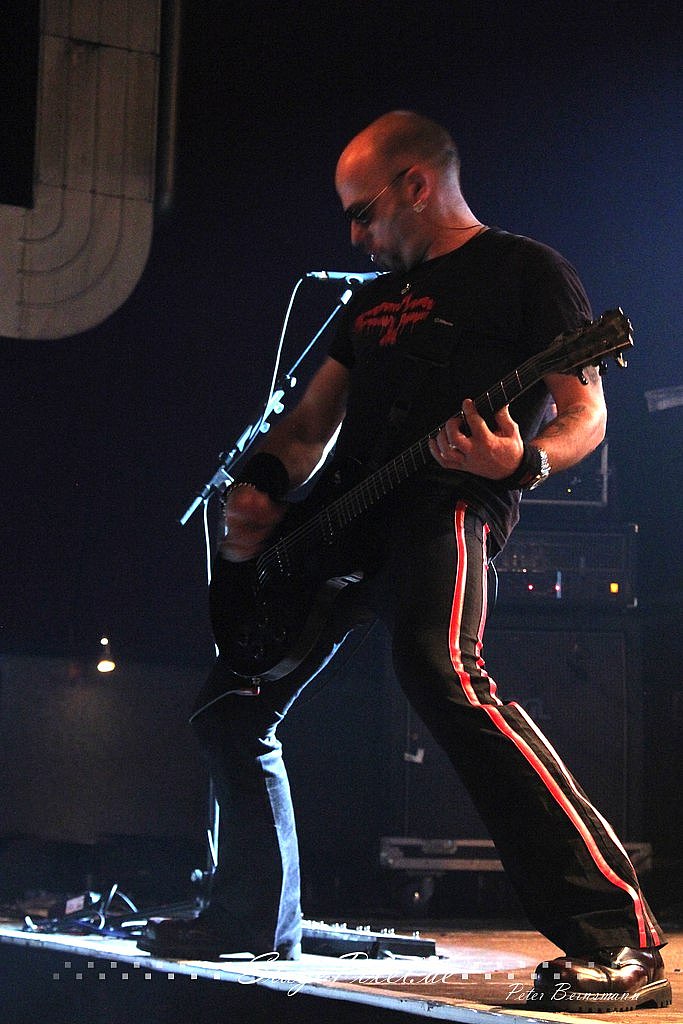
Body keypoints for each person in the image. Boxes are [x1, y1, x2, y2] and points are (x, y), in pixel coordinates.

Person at [139, 111, 670, 1012]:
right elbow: (309, 425)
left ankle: (617, 939)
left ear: (415, 184)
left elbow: (584, 414)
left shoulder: (524, 271)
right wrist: (263, 487)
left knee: (443, 673)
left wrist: (521, 462)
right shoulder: (369, 302)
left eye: (362, 212)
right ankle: (249, 917)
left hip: (443, 509)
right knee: (229, 707)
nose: (354, 236)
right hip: (340, 526)